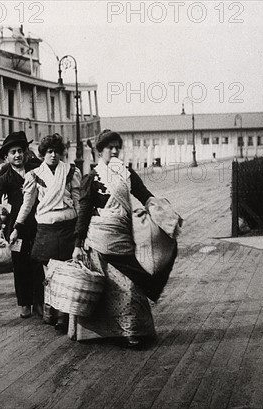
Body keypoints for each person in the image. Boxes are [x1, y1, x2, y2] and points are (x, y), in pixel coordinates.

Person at [72, 130, 175, 347]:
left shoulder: (127, 174)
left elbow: (145, 196)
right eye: (110, 147)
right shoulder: (91, 178)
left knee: (131, 288)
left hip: (123, 239)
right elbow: (84, 212)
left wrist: (164, 214)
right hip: (99, 239)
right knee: (105, 288)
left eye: (118, 146)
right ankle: (98, 333)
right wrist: (77, 244)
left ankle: (132, 331)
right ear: (100, 151)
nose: (115, 150)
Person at [10, 133, 81, 332]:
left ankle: (64, 315)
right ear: (42, 154)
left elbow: (77, 201)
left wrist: (82, 227)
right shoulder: (34, 175)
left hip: (67, 227)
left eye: (57, 152)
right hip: (46, 229)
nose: (53, 155)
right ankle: (52, 310)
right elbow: (27, 204)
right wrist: (17, 227)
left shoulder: (70, 171)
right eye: (49, 152)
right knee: (50, 274)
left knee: (67, 272)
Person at [0, 131, 43, 319]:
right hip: (15, 229)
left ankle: (39, 302)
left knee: (37, 263)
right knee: (20, 266)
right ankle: (24, 304)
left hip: (37, 223)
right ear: (7, 156)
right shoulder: (5, 177)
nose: (17, 155)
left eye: (20, 151)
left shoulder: (36, 169)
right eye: (13, 152)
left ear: (25, 152)